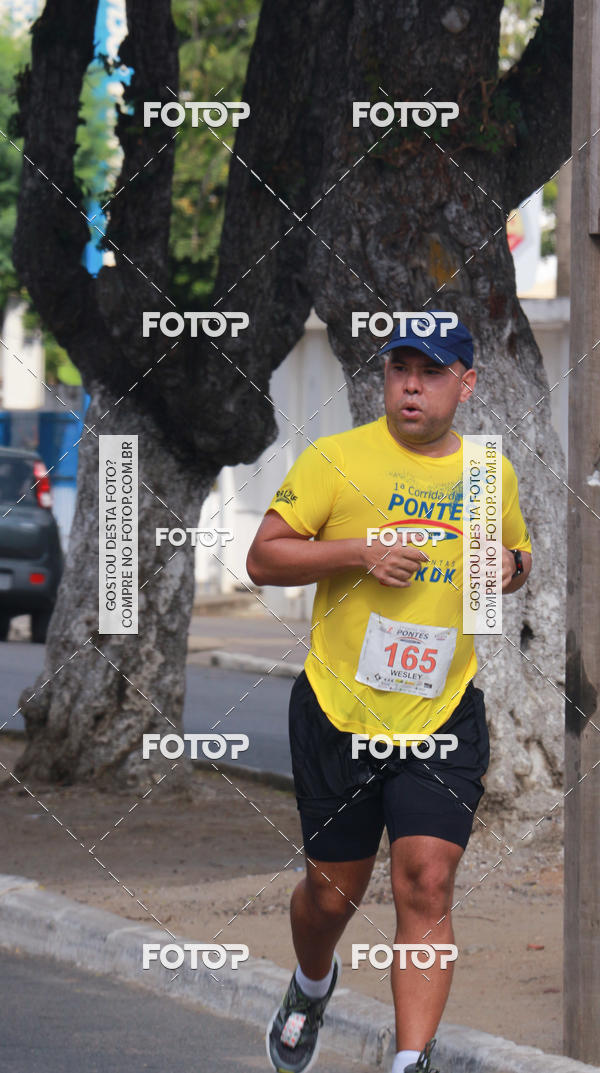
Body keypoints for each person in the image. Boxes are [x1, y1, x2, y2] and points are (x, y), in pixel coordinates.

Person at [246, 312, 532, 1073]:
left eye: (431, 372)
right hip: (339, 712)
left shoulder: (487, 473)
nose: (411, 386)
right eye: (400, 369)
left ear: (466, 385)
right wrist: (357, 552)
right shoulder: (337, 459)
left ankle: (411, 1060)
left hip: (441, 712)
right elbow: (264, 557)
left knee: (427, 882)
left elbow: (516, 555)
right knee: (331, 896)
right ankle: (312, 982)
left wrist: (510, 568)